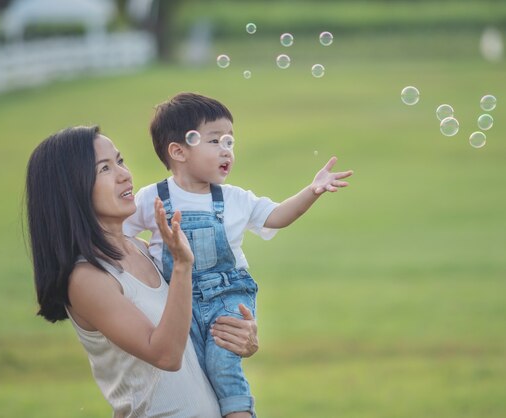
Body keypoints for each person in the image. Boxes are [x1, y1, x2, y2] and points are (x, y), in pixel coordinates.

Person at [123, 92, 354, 417]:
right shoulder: (152, 198)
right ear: (178, 151)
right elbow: (120, 236)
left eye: (230, 141)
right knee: (189, 369)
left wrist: (312, 191)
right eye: (215, 140)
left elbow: (276, 216)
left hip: (226, 297)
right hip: (179, 300)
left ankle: (239, 413)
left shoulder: (234, 198)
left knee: (221, 364)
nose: (226, 150)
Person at [25, 125, 259, 418]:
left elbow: (194, 326)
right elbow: (166, 354)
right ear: (71, 188)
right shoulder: (87, 278)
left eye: (120, 161)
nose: (125, 174)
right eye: (105, 169)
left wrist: (238, 337)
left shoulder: (145, 249)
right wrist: (183, 267)